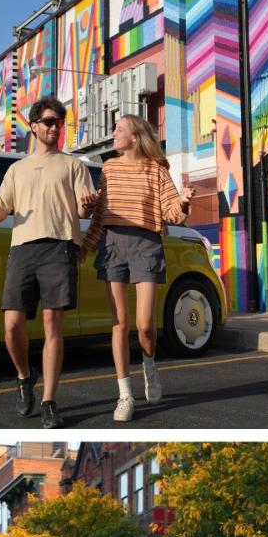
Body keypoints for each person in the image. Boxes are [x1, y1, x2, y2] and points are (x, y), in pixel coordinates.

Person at [0, 96, 95, 429]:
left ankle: (49, 402)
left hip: (59, 248)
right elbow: (0, 213)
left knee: (53, 327)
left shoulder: (74, 165)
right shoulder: (16, 169)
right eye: (49, 122)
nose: (55, 128)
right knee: (11, 326)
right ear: (33, 126)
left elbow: (82, 211)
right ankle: (25, 375)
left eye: (59, 123)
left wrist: (89, 207)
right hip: (22, 249)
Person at [79, 114, 195, 422]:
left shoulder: (157, 171)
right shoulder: (109, 168)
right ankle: (125, 395)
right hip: (113, 243)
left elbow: (171, 213)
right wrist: (87, 246)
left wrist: (183, 202)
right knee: (119, 322)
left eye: (119, 128)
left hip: (146, 243)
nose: (113, 132)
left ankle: (149, 363)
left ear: (135, 136)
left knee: (144, 325)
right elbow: (101, 213)